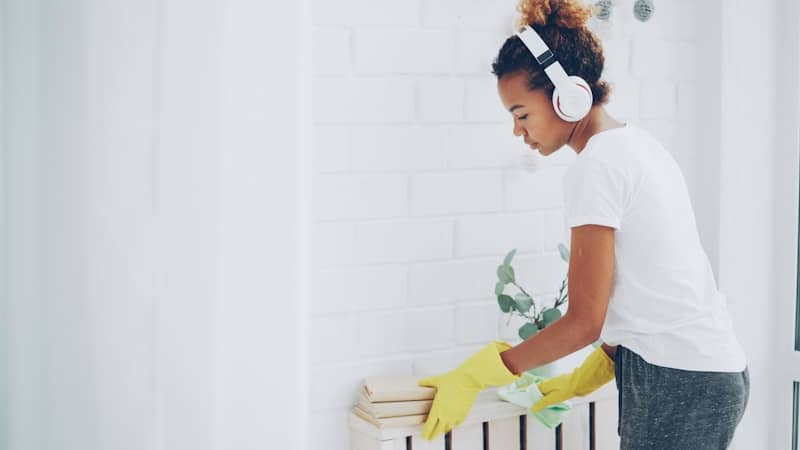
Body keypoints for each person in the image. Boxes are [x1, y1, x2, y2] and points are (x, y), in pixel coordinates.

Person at [416, 1, 750, 448]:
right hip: (700, 374)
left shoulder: (596, 166)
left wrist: (477, 375)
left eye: (521, 114)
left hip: (677, 381)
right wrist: (588, 374)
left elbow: (582, 322)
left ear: (565, 96)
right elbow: (650, 286)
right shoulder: (636, 146)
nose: (518, 131)